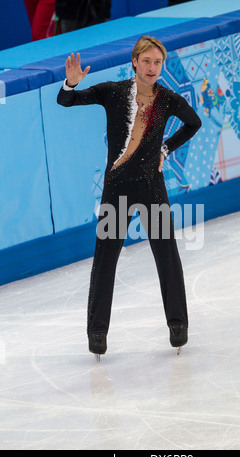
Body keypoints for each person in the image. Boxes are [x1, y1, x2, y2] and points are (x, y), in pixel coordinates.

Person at [57, 36, 202, 358]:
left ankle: (178, 323)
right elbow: (66, 101)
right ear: (135, 62)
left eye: (158, 62)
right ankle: (97, 331)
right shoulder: (113, 92)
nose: (152, 68)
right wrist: (70, 83)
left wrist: (165, 148)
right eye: (147, 61)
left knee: (167, 257)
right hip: (117, 190)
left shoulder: (167, 99)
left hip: (152, 188)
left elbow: (194, 123)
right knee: (105, 260)